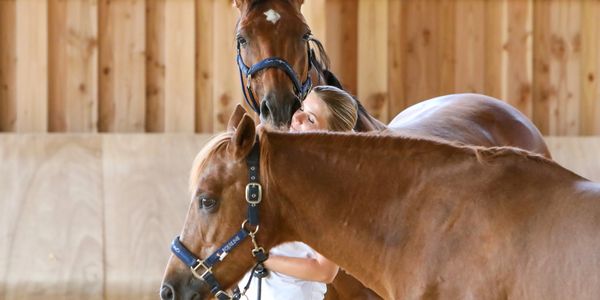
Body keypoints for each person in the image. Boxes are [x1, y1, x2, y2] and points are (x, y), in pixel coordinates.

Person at [239, 85, 358, 299]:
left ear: (330, 136)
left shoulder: (330, 191)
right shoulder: (283, 169)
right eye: (302, 107)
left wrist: (261, 257)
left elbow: (324, 271)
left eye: (311, 119)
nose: (297, 117)